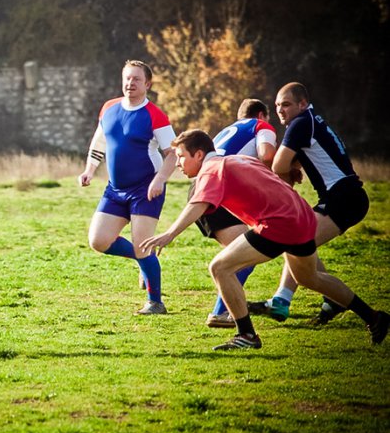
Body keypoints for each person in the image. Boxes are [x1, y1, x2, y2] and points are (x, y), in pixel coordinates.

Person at [139, 129, 388, 350]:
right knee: (308, 278)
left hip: (278, 224)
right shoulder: (239, 158)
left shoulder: (211, 169)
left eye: (182, 156)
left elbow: (199, 203)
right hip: (302, 216)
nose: (179, 164)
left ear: (200, 155)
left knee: (220, 267)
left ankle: (246, 335)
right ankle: (374, 317)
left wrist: (169, 234)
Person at [247, 82, 370, 325]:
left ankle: (282, 301)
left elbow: (279, 166)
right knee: (299, 245)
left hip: (344, 198)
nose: (281, 110)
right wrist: (293, 169)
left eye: (286, 104)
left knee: (293, 238)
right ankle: (329, 299)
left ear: (302, 104)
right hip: (344, 196)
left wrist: (286, 175)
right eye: (277, 106)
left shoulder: (301, 122)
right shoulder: (311, 121)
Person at [78, 60, 177, 315]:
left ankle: (155, 302)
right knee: (98, 241)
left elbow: (172, 155)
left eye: (136, 79)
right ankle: (142, 257)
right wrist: (89, 170)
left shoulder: (155, 115)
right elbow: (98, 143)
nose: (130, 83)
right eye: (127, 78)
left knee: (142, 244)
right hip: (115, 189)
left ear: (147, 84)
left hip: (146, 189)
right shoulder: (109, 108)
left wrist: (160, 179)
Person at [197, 99, 277, 329]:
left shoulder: (226, 131)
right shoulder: (260, 127)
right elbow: (267, 155)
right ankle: (220, 313)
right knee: (245, 257)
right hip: (219, 193)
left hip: (205, 191)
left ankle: (225, 311)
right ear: (262, 115)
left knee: (241, 255)